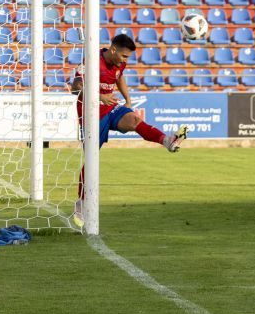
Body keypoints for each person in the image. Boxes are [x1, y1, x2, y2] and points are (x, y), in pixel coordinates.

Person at [70, 34, 187, 227]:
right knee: (91, 160)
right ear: (113, 50)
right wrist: (99, 96)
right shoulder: (91, 61)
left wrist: (128, 99)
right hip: (91, 115)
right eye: (124, 56)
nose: (125, 61)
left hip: (110, 108)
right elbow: (76, 87)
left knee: (134, 120)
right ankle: (81, 203)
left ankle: (167, 141)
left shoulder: (118, 63)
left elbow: (119, 77)